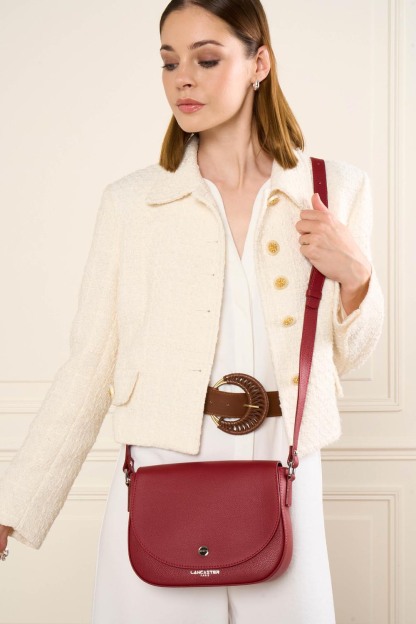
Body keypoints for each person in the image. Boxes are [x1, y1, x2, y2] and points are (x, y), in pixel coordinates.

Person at [0, 0, 384, 622]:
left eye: (206, 60)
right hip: (165, 464)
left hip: (284, 466)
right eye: (169, 61)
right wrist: (14, 506)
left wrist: (357, 276)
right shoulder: (133, 203)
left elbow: (349, 355)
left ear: (259, 63)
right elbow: (89, 364)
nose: (183, 79)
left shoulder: (333, 190)